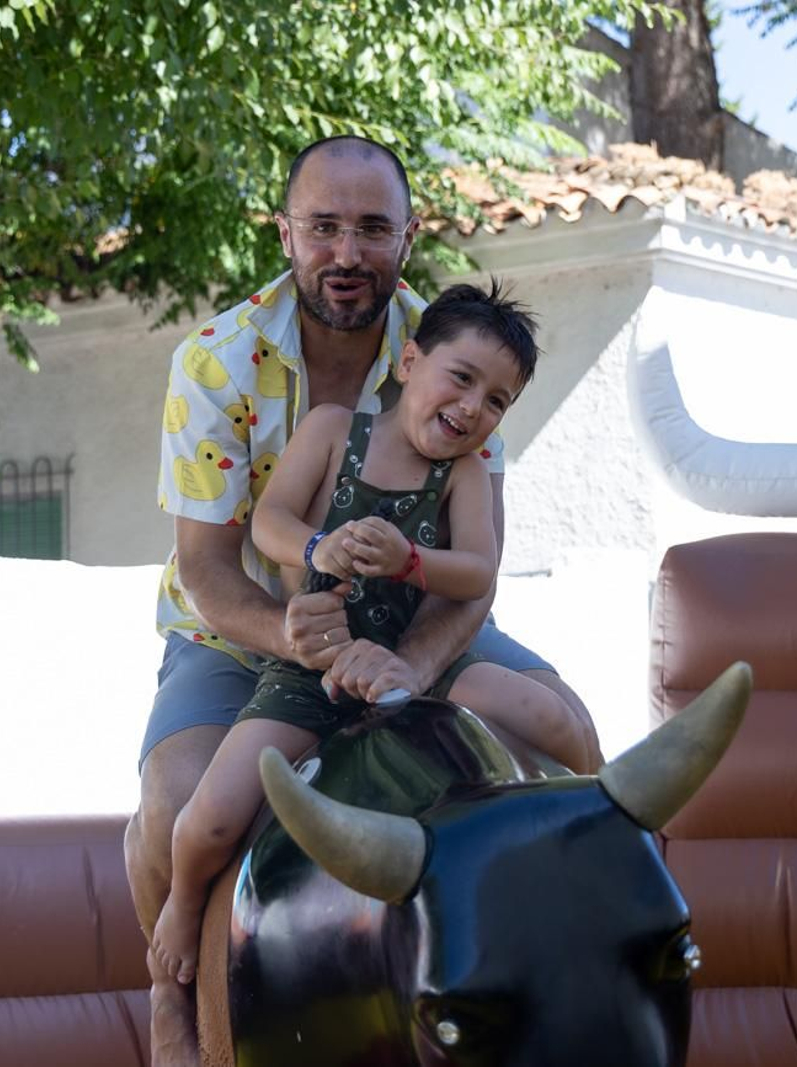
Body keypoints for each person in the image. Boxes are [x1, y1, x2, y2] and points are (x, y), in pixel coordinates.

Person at [124, 134, 601, 1066]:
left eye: (372, 229)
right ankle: (173, 1002)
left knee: (571, 732)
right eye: (324, 227)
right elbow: (209, 566)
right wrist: (296, 637)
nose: (347, 253)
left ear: (407, 237)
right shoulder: (215, 362)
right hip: (244, 631)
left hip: (417, 622)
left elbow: (476, 565)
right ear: (287, 233)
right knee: (175, 797)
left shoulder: (462, 357)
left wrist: (408, 663)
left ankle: (586, 967)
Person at [151, 282, 590, 985]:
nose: (474, 407)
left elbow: (478, 571)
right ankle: (179, 904)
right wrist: (317, 548)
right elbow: (271, 522)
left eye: (498, 399)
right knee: (211, 811)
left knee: (552, 714)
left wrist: (412, 561)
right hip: (312, 668)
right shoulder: (332, 429)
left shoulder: (465, 475)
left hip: (415, 659)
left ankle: (604, 837)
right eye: (463, 378)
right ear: (409, 362)